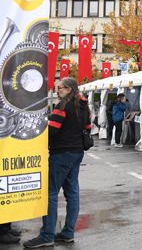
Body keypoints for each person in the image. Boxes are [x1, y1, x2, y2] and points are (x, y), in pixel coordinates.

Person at [24, 77, 90, 248]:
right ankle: (68, 232)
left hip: (61, 153)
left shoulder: (62, 106)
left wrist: (43, 124)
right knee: (72, 193)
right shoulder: (84, 106)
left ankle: (47, 235)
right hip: (77, 152)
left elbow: (52, 129)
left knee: (51, 194)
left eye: (60, 87)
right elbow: (88, 128)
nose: (57, 90)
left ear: (69, 89)